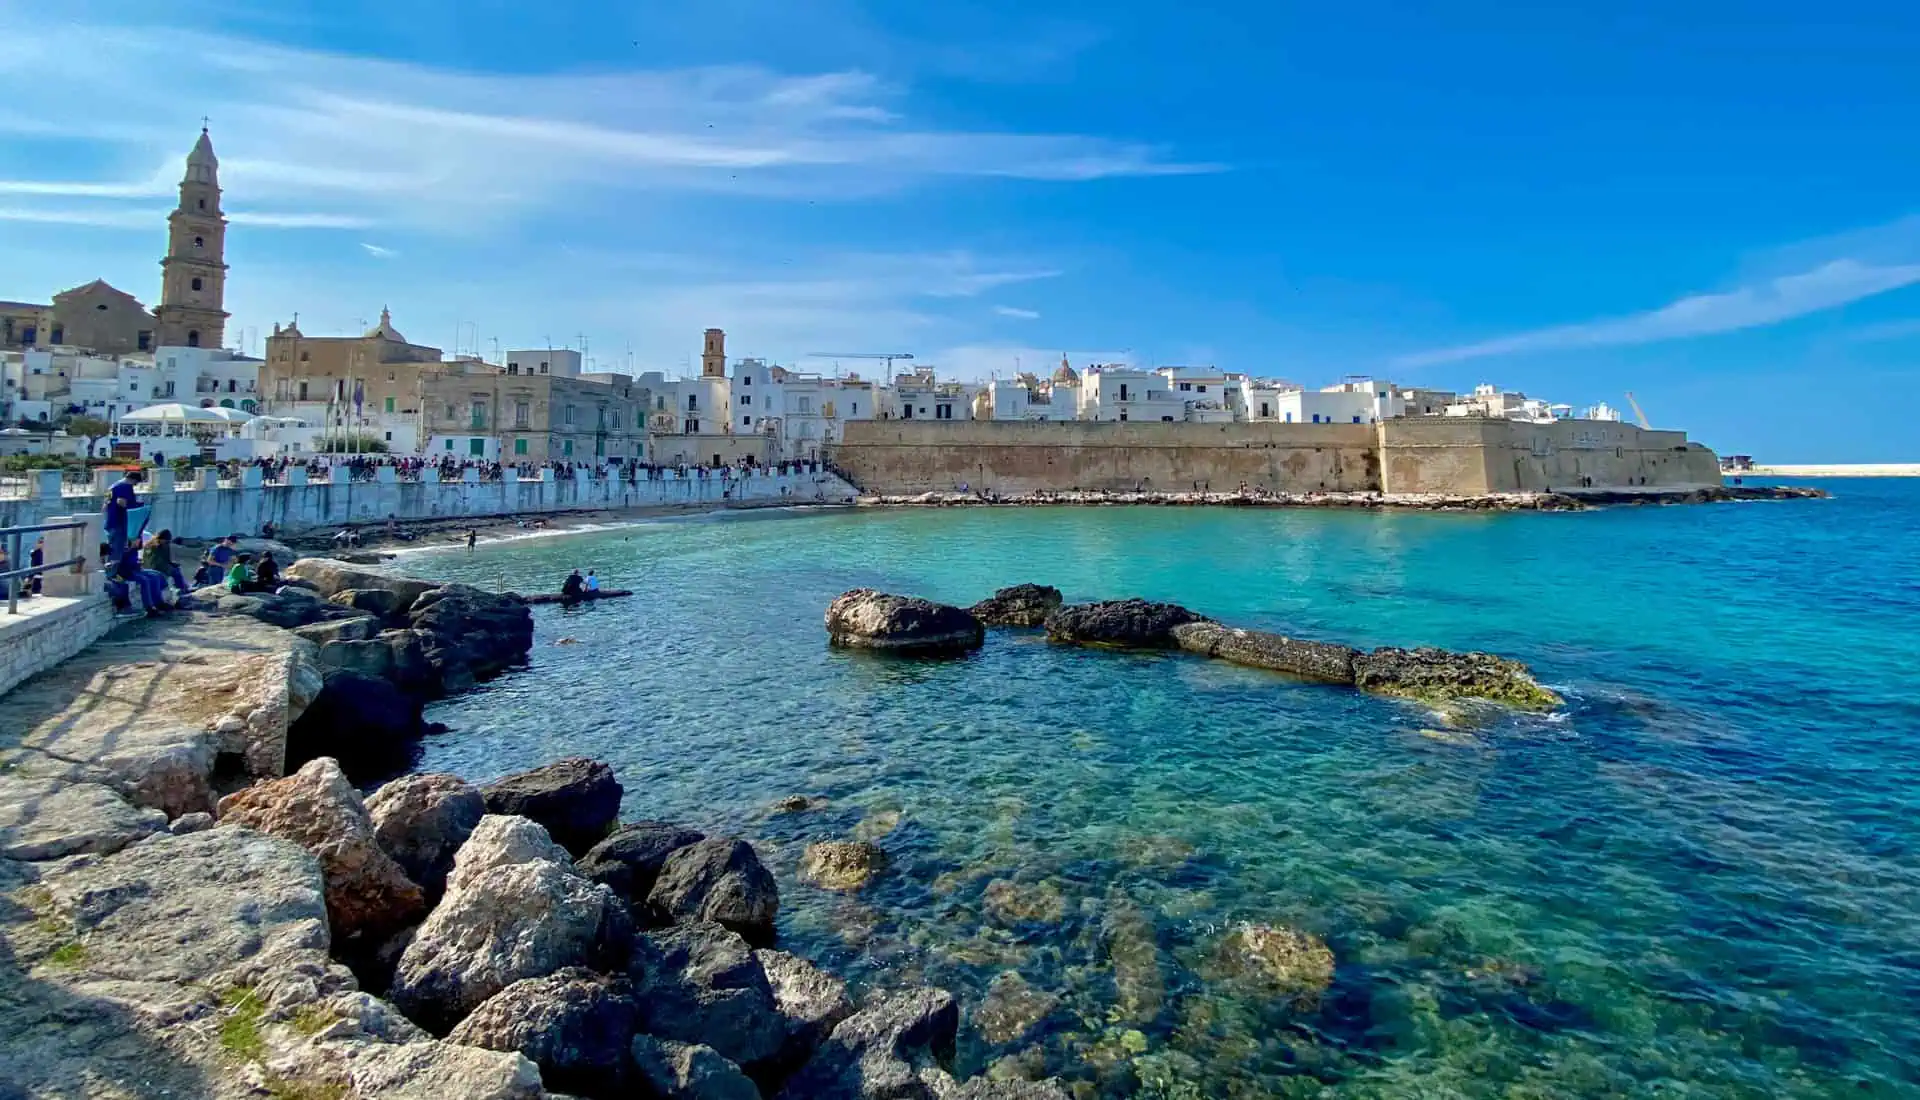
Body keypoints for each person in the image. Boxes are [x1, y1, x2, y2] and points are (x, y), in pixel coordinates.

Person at [103, 468, 144, 564]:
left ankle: (108, 567)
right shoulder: (125, 487)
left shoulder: (112, 487)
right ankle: (113, 571)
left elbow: (105, 506)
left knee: (111, 547)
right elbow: (122, 502)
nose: (134, 486)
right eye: (135, 483)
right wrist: (139, 505)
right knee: (117, 550)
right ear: (133, 480)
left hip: (110, 522)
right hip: (119, 523)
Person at [142, 529, 193, 598]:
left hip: (160, 565)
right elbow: (154, 562)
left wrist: (172, 564)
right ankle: (183, 588)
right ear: (161, 538)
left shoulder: (164, 544)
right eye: (166, 540)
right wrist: (169, 567)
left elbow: (166, 559)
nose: (168, 542)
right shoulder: (153, 546)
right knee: (175, 572)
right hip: (154, 567)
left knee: (176, 569)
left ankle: (182, 587)